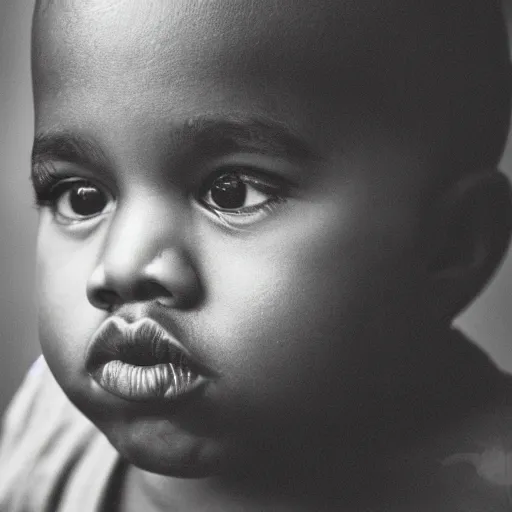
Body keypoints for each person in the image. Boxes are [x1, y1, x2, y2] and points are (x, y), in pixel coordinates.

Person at [1, 0, 512, 510]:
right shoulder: (50, 432)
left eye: (231, 193)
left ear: (451, 245)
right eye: (80, 196)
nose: (121, 267)